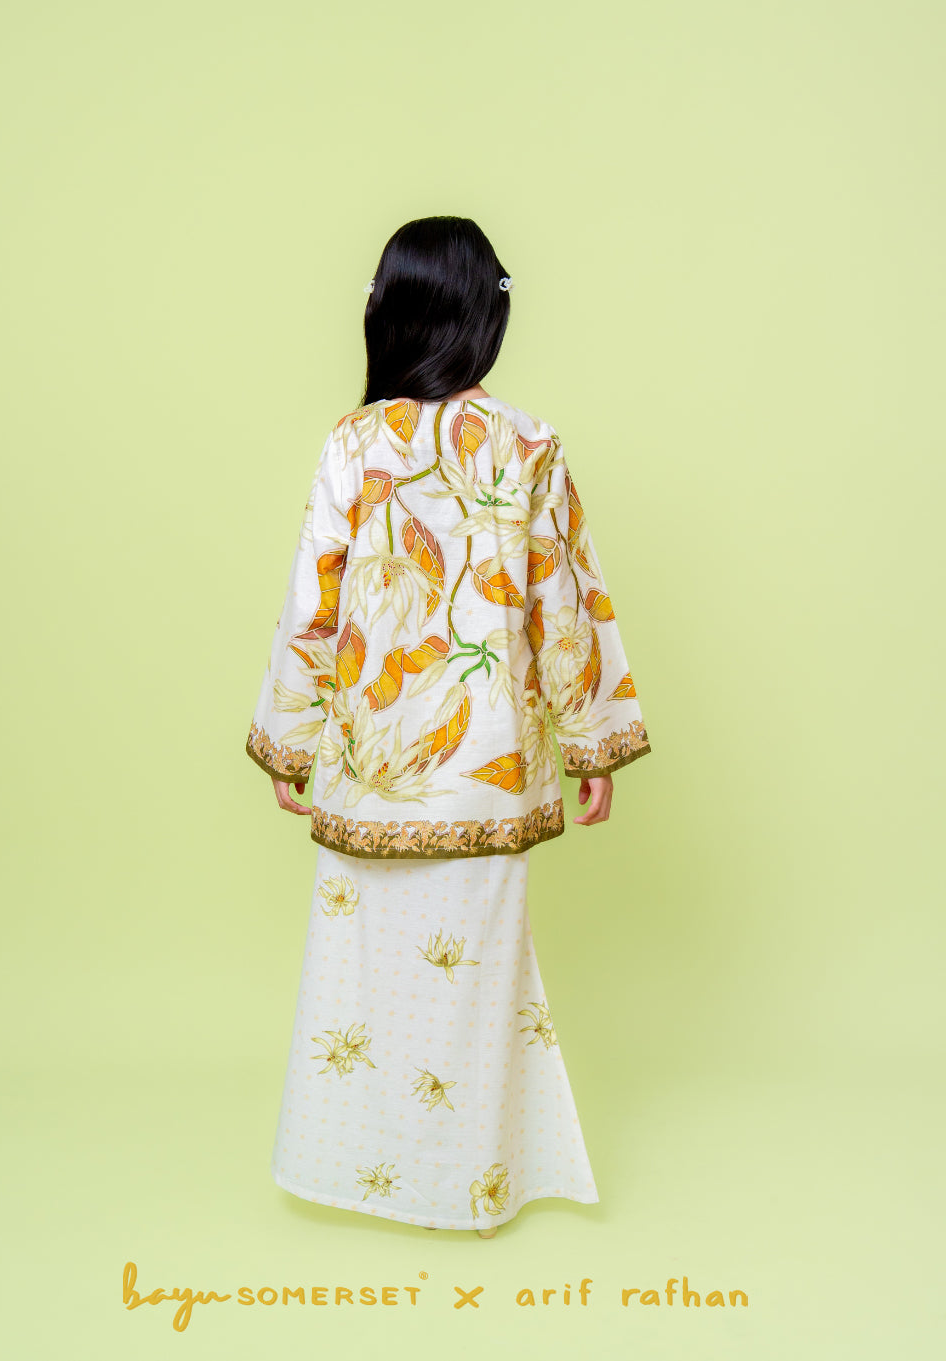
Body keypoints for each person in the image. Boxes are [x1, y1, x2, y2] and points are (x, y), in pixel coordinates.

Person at [245, 215, 652, 1238]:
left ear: (388, 311)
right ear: (486, 314)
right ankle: (469, 1186)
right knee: (473, 992)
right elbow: (566, 605)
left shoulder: (352, 444)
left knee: (361, 990)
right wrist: (591, 738)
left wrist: (290, 739)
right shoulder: (527, 444)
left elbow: (311, 607)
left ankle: (351, 1170)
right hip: (484, 771)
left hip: (366, 770)